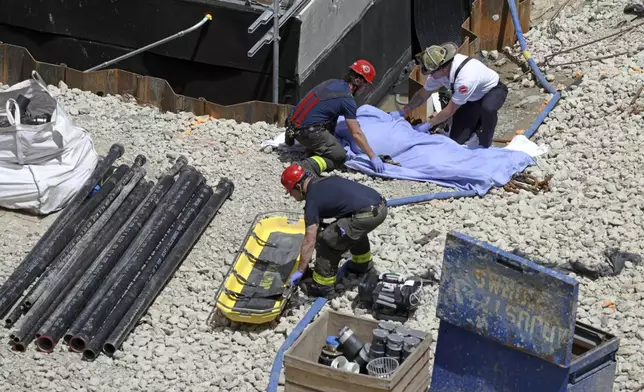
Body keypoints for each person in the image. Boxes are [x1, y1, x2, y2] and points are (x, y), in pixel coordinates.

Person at [281, 164, 388, 298]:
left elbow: (310, 239)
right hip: (380, 206)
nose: (291, 195)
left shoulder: (312, 201)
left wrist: (301, 271)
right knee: (349, 230)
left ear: (298, 187)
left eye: (290, 192)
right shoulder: (323, 182)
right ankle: (362, 265)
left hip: (366, 216)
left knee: (327, 241)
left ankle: (322, 287)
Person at [392, 42, 508, 148]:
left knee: (488, 109)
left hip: (492, 91)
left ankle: (485, 141)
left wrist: (427, 125)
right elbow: (422, 95)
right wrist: (404, 110)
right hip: (470, 99)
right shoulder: (440, 71)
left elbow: (449, 110)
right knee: (457, 140)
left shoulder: (465, 78)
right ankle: (475, 124)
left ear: (441, 69)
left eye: (431, 72)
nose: (430, 76)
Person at [284, 60, 385, 176]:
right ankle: (308, 164)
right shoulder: (347, 100)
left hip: (292, 123)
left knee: (330, 122)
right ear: (358, 81)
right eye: (366, 85)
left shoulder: (332, 83)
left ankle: (305, 142)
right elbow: (356, 133)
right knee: (339, 156)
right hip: (307, 132)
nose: (365, 89)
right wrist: (372, 156)